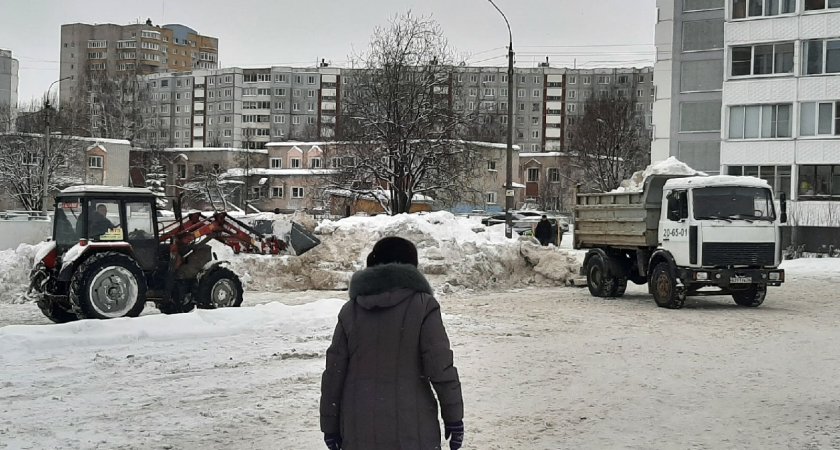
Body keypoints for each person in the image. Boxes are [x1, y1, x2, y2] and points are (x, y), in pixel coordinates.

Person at [320, 236, 464, 450]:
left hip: (359, 428)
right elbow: (440, 367)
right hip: (412, 430)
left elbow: (334, 372)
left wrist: (329, 426)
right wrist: (454, 417)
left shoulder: (350, 311)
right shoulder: (423, 306)